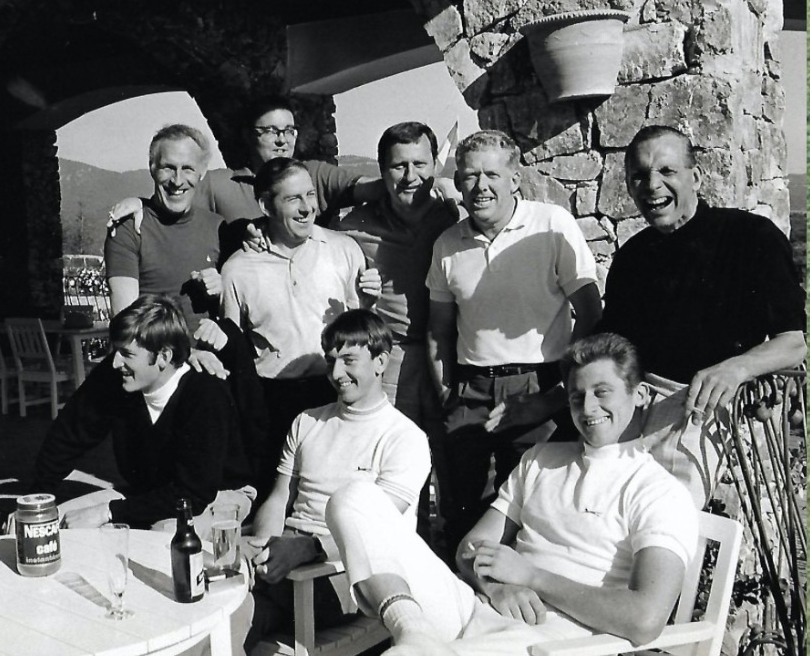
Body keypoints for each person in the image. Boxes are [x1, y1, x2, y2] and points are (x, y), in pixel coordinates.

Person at [325, 333, 697, 655]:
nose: (588, 408)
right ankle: (415, 631)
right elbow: (470, 548)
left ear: (641, 394)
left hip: (557, 638)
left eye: (603, 393)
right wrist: (492, 586)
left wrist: (531, 577)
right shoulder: (542, 459)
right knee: (354, 498)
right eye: (577, 396)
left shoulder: (659, 492)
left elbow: (645, 618)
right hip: (481, 605)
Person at [599, 125, 806, 504]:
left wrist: (736, 368)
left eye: (666, 171)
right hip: (633, 405)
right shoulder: (631, 257)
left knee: (662, 518)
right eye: (639, 176)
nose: (652, 185)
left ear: (695, 177)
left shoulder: (749, 236)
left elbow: (793, 343)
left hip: (699, 409)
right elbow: (612, 348)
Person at [425, 130, 602, 555]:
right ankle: (465, 608)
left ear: (514, 179)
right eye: (469, 176)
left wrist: (560, 392)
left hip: (537, 386)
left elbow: (591, 313)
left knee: (533, 509)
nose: (480, 186)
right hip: (470, 388)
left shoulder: (551, 224)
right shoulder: (448, 244)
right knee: (460, 507)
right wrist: (447, 389)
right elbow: (439, 328)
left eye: (491, 174)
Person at [241, 309, 431, 652]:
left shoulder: (405, 438)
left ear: (380, 361)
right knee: (220, 614)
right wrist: (265, 548)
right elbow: (279, 497)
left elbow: (375, 531)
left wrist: (305, 549)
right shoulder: (307, 422)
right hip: (290, 563)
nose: (336, 373)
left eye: (349, 360)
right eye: (331, 361)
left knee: (235, 613)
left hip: (349, 574)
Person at [220, 158, 380, 500]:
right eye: (293, 199)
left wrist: (367, 303)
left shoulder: (343, 250)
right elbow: (234, 350)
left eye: (310, 194)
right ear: (265, 205)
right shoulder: (238, 269)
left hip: (334, 392)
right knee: (276, 497)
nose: (307, 207)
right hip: (272, 402)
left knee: (335, 494)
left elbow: (359, 328)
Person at [32, 295, 254, 530]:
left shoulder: (205, 393)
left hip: (218, 495)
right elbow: (66, 437)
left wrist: (108, 512)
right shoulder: (116, 377)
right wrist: (36, 502)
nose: (116, 363)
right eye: (116, 351)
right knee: (57, 522)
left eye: (127, 354)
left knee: (165, 537)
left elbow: (194, 493)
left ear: (163, 356)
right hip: (150, 494)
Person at [329, 121, 455, 434]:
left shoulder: (454, 216)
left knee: (453, 459)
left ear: (434, 166)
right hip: (390, 358)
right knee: (388, 452)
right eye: (399, 166)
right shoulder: (352, 223)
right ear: (382, 171)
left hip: (450, 353)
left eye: (420, 164)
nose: (411, 177)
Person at [108, 96, 377, 229]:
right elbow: (175, 203)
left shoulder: (315, 175)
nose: (282, 140)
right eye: (270, 131)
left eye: (288, 130)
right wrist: (140, 203)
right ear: (249, 136)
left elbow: (372, 188)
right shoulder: (219, 184)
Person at [104, 124, 228, 328]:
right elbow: (125, 321)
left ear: (201, 173)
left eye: (188, 168)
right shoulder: (129, 227)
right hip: (155, 357)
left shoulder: (218, 227)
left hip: (211, 357)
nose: (177, 181)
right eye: (168, 168)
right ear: (152, 169)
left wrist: (224, 288)